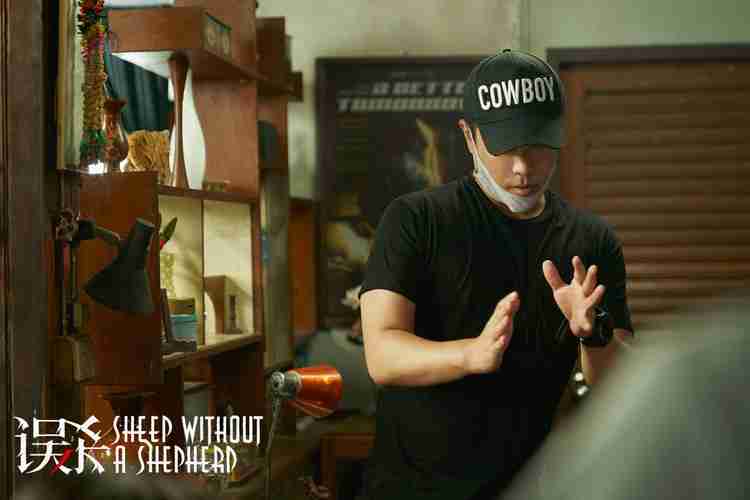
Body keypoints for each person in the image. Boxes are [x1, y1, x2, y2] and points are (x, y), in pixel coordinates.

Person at [358, 49, 634, 500]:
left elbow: (619, 387)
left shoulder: (591, 239)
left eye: (537, 147)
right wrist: (471, 354)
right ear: (469, 136)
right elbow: (382, 356)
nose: (523, 168)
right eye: (504, 148)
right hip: (413, 490)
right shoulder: (416, 220)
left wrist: (593, 333)